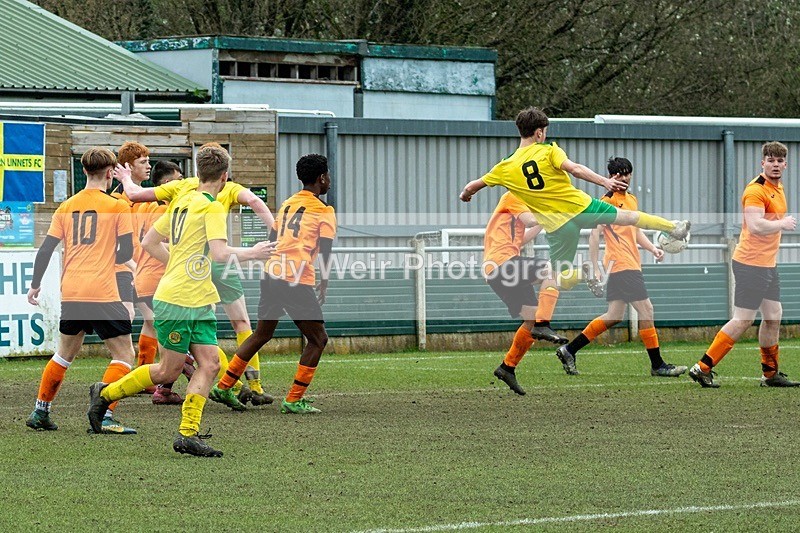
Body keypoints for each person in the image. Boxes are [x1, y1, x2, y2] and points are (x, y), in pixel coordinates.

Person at [460, 107, 690, 372]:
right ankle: (673, 227)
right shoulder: (548, 150)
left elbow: (473, 185)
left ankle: (513, 364)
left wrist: (466, 195)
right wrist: (604, 181)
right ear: (539, 132)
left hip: (557, 228)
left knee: (558, 284)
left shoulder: (506, 166)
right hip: (579, 211)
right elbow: (576, 169)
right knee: (625, 223)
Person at [88, 144, 274, 457]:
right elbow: (220, 254)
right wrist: (254, 253)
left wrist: (177, 262)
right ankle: (104, 393)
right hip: (178, 300)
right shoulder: (212, 207)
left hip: (199, 300)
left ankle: (188, 433)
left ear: (198, 173)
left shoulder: (182, 198)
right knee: (167, 372)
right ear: (225, 176)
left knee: (210, 363)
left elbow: (149, 242)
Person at [117, 145, 275, 405]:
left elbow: (134, 196)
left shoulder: (182, 187)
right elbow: (255, 201)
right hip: (216, 261)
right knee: (240, 324)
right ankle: (251, 384)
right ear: (224, 174)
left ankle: (167, 388)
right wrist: (273, 232)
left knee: (168, 335)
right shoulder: (227, 190)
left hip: (182, 269)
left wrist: (125, 178)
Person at [209, 153, 335, 415]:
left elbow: (272, 238)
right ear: (321, 178)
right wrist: (323, 281)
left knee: (262, 334)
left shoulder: (288, 204)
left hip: (272, 273)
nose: (329, 181)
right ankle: (294, 399)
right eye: (328, 176)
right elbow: (325, 250)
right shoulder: (324, 210)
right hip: (295, 278)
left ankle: (223, 386)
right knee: (318, 339)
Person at [25, 147, 138, 434]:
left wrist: (35, 284)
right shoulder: (117, 206)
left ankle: (41, 411)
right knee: (124, 355)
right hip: (102, 290)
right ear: (112, 173)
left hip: (72, 291)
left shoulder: (66, 206)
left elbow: (46, 249)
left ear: (84, 171)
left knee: (64, 353)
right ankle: (106, 415)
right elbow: (125, 252)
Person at [555, 157, 687, 377]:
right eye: (619, 174)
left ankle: (569, 349)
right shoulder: (606, 201)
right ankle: (658, 365)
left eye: (627, 174)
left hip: (628, 264)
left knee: (614, 315)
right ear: (611, 177)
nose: (624, 178)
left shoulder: (632, 200)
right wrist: (596, 266)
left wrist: (652, 248)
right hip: (621, 264)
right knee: (647, 310)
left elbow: (635, 230)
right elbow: (595, 235)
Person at [689, 142, 799, 388]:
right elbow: (757, 225)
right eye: (771, 161)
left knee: (773, 316)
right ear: (763, 163)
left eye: (780, 161)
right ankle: (703, 367)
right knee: (743, 319)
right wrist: (783, 224)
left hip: (767, 264)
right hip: (751, 263)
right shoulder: (755, 190)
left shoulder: (777, 188)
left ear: (785, 164)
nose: (776, 165)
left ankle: (770, 374)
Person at [132, 160, 193, 405]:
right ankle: (159, 387)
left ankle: (153, 385)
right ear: (168, 183)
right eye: (179, 179)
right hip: (161, 278)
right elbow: (168, 243)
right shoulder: (167, 210)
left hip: (143, 276)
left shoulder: (141, 207)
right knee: (183, 340)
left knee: (152, 327)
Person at [483, 192, 551, 395]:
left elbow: (521, 239)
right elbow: (530, 220)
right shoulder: (513, 196)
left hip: (499, 269)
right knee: (550, 268)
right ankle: (544, 324)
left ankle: (507, 367)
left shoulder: (516, 209)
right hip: (503, 264)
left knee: (530, 319)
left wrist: (544, 224)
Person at [111, 141, 151, 323]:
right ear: (128, 167)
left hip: (141, 267)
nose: (149, 166)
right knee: (128, 315)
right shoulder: (116, 200)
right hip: (123, 268)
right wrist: (136, 269)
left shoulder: (147, 196)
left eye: (148, 161)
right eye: (143, 162)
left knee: (153, 319)